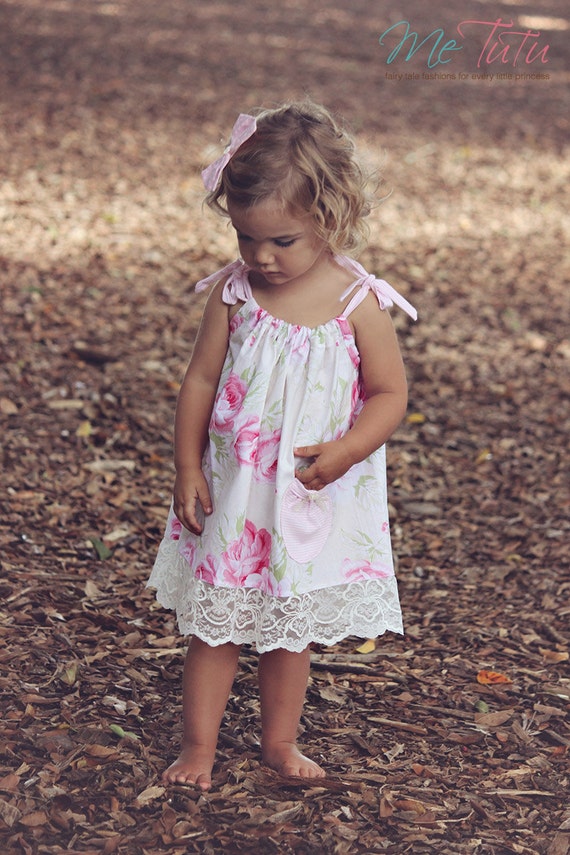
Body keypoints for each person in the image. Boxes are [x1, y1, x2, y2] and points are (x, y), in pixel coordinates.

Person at [147, 101, 417, 790]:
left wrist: (349, 449)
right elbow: (201, 378)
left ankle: (280, 739)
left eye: (282, 241)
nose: (260, 256)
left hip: (305, 494)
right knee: (217, 625)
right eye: (246, 238)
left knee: (287, 626)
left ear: (331, 218)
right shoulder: (235, 296)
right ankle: (198, 747)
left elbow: (390, 394)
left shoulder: (357, 301)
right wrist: (186, 465)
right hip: (237, 494)